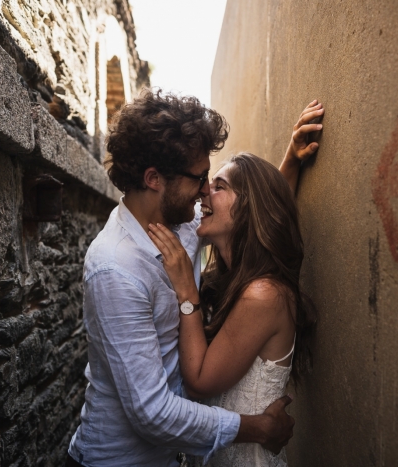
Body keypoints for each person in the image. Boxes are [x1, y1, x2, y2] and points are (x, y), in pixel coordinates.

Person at [67, 89, 324, 466]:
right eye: (200, 178)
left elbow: (250, 220)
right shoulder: (115, 269)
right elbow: (152, 415)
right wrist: (257, 428)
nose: (205, 191)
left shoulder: (184, 225)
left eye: (213, 181)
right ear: (154, 178)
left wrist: (290, 162)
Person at [148, 151, 317, 467]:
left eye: (219, 186)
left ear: (248, 209)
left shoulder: (263, 294)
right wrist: (291, 162)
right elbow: (265, 200)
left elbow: (199, 380)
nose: (205, 192)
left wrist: (186, 292)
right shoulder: (237, 281)